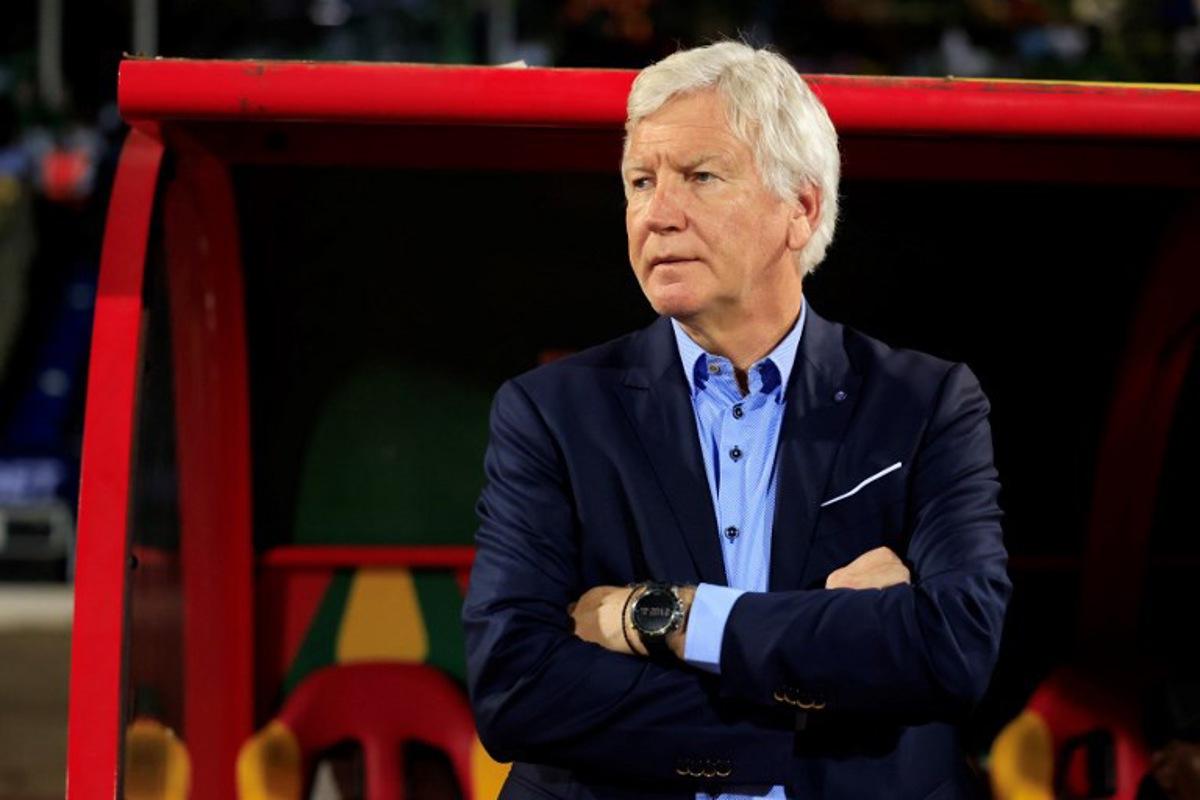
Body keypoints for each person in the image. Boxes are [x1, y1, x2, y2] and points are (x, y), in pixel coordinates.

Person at [463, 41, 1011, 799]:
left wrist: (664, 618)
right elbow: (514, 687)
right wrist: (819, 684)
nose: (656, 214)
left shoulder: (925, 404)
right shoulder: (549, 413)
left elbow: (955, 651)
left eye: (701, 178)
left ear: (802, 208)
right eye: (639, 181)